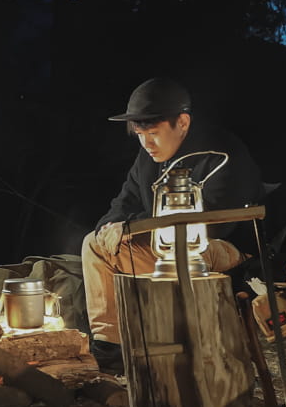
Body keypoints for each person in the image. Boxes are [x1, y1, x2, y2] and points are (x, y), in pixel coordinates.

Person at [81, 77, 263, 376]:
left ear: (182, 122)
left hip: (224, 249)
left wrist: (132, 228)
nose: (146, 143)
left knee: (175, 250)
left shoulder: (223, 154)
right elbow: (123, 202)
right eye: (140, 135)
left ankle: (182, 347)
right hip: (165, 244)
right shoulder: (147, 156)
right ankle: (111, 348)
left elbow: (218, 223)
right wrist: (110, 228)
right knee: (94, 243)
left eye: (153, 133)